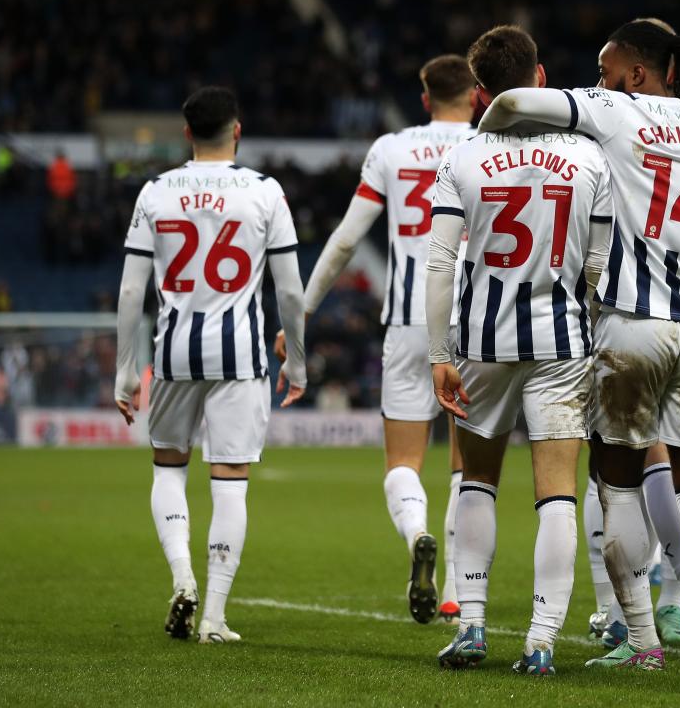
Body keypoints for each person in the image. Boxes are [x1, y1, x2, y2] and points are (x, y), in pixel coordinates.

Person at [479, 18, 680, 676]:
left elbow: (512, 102)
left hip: (632, 329)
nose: (598, 79)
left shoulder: (615, 109)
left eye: (604, 68)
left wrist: (480, 150)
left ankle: (645, 645)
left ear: (634, 72)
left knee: (616, 488)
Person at [426, 25, 612, 676]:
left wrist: (437, 353)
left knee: (476, 478)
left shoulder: (464, 159)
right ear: (541, 81)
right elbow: (596, 267)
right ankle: (540, 641)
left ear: (480, 94)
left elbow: (441, 261)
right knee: (557, 493)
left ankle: (472, 626)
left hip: (484, 339)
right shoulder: (590, 158)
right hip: (562, 340)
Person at [275, 55, 476, 624]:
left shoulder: (391, 149)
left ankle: (418, 532)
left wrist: (302, 314)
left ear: (424, 98)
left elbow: (343, 241)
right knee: (468, 464)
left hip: (410, 318)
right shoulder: (490, 143)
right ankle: (459, 589)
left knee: (402, 462)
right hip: (474, 319)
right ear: (476, 95)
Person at [114, 86, 307, 644]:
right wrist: (296, 360)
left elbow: (131, 292)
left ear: (186, 135)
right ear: (237, 130)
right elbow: (289, 292)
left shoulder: (155, 191)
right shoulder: (265, 192)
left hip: (173, 352)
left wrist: (125, 370)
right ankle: (216, 617)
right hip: (240, 356)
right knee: (230, 482)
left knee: (168, 468)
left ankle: (182, 580)